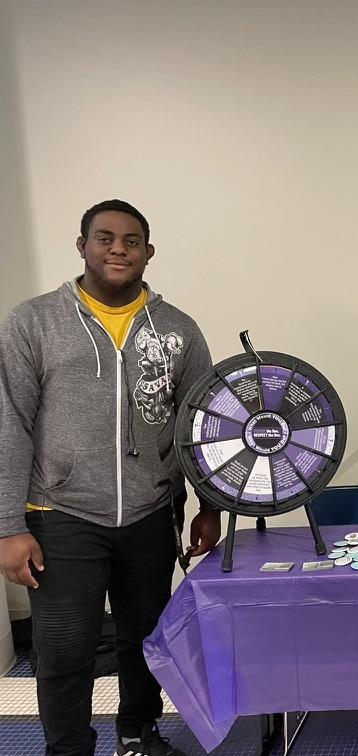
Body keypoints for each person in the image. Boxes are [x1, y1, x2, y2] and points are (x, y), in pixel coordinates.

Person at [0, 199, 221, 756]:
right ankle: (68, 748)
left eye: (131, 240)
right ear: (82, 246)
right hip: (61, 514)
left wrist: (209, 505)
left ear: (148, 252)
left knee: (145, 639)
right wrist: (7, 525)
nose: (118, 249)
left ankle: (138, 734)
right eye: (105, 238)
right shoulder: (34, 322)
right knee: (64, 647)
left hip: (151, 511)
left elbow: (203, 424)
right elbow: (9, 423)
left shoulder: (177, 330)